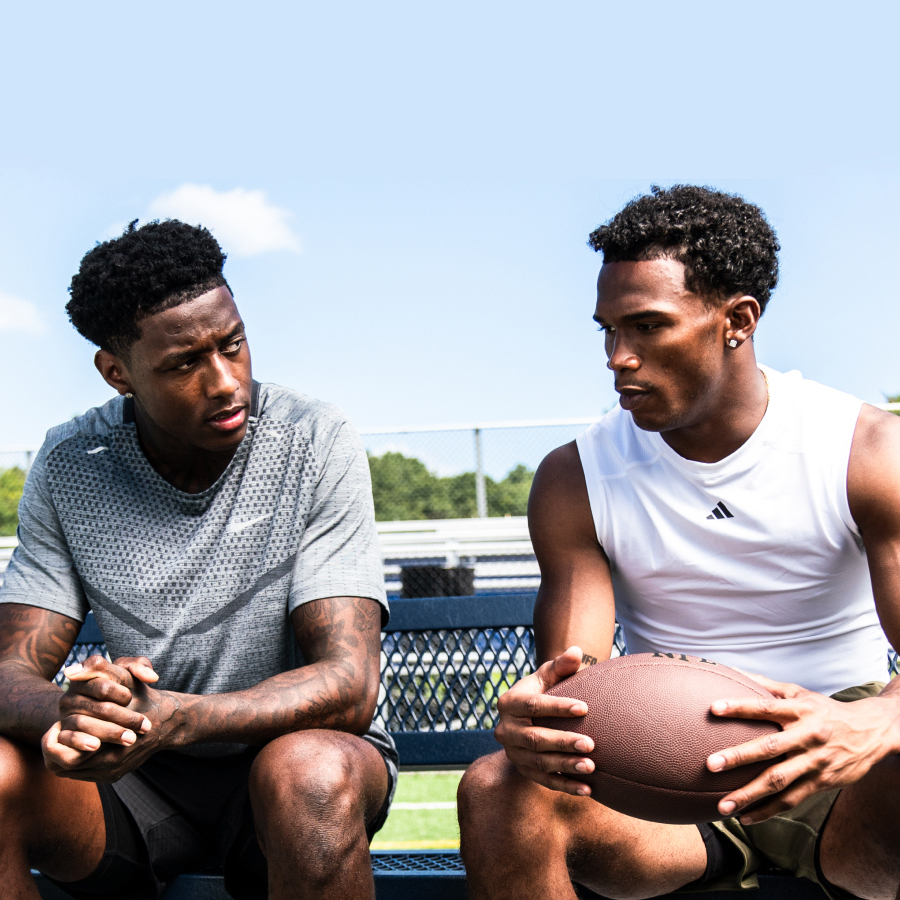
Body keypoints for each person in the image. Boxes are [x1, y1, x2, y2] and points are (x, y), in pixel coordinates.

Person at [458, 186, 900, 900]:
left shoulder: (867, 450)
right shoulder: (578, 476)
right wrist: (537, 720)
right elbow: (573, 679)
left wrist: (875, 722)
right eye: (606, 330)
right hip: (669, 765)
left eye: (647, 327)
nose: (617, 358)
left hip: (836, 757)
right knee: (498, 786)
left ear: (738, 320)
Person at [0, 220, 397, 900]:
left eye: (233, 344)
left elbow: (349, 685)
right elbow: (8, 672)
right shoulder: (70, 465)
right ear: (116, 372)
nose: (224, 381)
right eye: (185, 364)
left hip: (293, 766)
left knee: (307, 774)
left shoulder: (313, 439)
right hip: (139, 782)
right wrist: (79, 710)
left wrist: (174, 716)